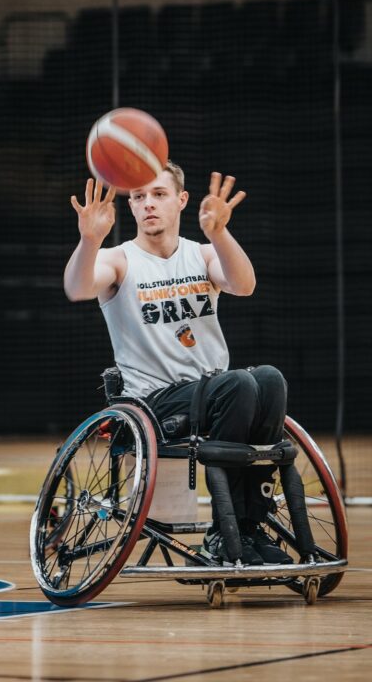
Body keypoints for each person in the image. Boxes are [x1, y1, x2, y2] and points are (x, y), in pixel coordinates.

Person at [64, 163, 290, 566]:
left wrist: (219, 232)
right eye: (138, 197)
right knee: (238, 384)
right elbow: (77, 288)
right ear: (130, 206)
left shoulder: (201, 255)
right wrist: (88, 241)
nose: (148, 204)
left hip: (216, 395)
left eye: (158, 194)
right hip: (153, 405)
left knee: (269, 379)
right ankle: (224, 534)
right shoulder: (119, 261)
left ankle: (250, 527)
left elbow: (244, 285)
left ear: (182, 200)